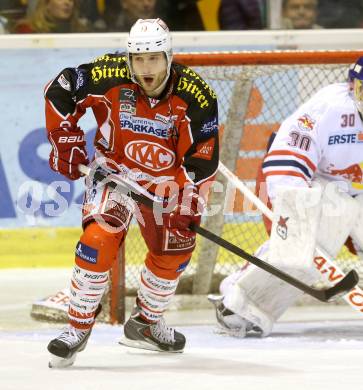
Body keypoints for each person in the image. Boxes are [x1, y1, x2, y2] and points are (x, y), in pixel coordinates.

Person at [44, 18, 219, 367]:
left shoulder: (197, 94)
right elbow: (60, 89)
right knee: (98, 241)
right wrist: (64, 137)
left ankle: (147, 323)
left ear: (169, 57)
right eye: (139, 59)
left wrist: (186, 199)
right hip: (115, 174)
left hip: (166, 186)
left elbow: (203, 157)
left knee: (174, 250)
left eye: (154, 59)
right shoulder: (109, 73)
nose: (146, 68)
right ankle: (77, 328)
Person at [209, 57, 363, 338]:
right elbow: (287, 164)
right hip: (298, 185)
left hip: (353, 194)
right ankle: (240, 300)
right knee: (321, 222)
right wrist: (302, 221)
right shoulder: (329, 107)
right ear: (352, 87)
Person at [13, 0, 89, 33]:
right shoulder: (27, 29)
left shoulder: (81, 30)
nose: (67, 3)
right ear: (47, 4)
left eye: (70, 0)